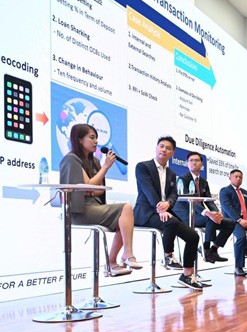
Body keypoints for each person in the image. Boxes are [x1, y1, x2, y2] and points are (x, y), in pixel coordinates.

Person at [59, 123, 142, 276]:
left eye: (96, 138)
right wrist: (106, 167)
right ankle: (127, 254)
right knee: (126, 208)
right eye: (92, 137)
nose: (96, 141)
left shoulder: (95, 162)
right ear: (79, 139)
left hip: (95, 206)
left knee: (125, 219)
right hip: (79, 211)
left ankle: (112, 262)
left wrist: (90, 190)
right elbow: (88, 186)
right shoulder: (71, 159)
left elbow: (97, 190)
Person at [134, 136, 202, 289]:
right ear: (156, 147)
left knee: (193, 236)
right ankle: (168, 257)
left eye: (168, 148)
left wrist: (168, 204)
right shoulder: (143, 167)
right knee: (171, 222)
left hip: (165, 212)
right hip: (146, 213)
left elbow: (174, 193)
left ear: (172, 153)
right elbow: (148, 190)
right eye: (162, 146)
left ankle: (186, 276)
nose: (164, 150)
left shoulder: (171, 173)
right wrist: (160, 209)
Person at [172, 151, 232, 264]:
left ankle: (213, 250)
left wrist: (216, 212)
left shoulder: (204, 182)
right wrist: (208, 213)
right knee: (210, 218)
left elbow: (209, 200)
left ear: (202, 164)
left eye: (197, 160)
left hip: (199, 214)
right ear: (187, 163)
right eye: (191, 160)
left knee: (230, 223)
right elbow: (189, 200)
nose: (194, 163)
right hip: (186, 214)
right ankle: (206, 249)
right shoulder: (182, 179)